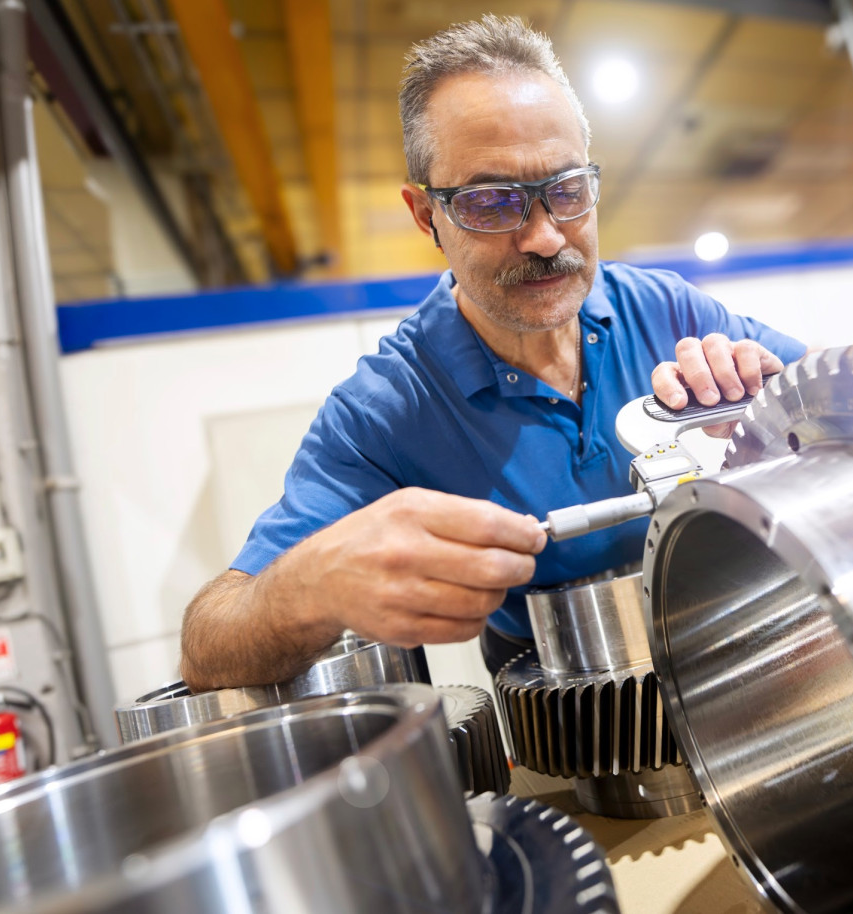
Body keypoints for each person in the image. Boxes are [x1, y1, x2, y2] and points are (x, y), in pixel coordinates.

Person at [179, 15, 804, 690]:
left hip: (745, 655)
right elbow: (208, 649)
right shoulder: (385, 414)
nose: (542, 236)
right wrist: (313, 582)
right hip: (572, 716)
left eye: (566, 191)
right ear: (427, 218)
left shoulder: (665, 309)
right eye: (490, 202)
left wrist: (781, 416)